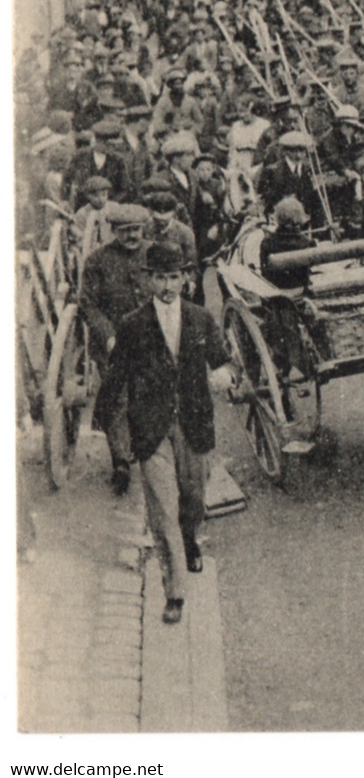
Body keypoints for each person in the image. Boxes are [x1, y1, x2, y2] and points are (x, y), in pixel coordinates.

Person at [102, 241, 234, 624]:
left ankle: (192, 540)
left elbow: (223, 360)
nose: (167, 285)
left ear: (186, 278)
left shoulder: (200, 318)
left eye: (174, 276)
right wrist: (115, 435)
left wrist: (224, 374)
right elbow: (116, 380)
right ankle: (174, 591)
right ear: (147, 280)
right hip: (152, 428)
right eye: (159, 277)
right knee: (162, 510)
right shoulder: (133, 325)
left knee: (192, 499)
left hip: (192, 423)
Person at [81, 203, 151, 494]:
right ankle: (121, 462)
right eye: (125, 231)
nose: (132, 236)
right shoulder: (98, 260)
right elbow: (89, 305)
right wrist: (108, 336)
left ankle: (149, 449)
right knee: (118, 398)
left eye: (136, 230)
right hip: (114, 343)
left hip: (151, 338)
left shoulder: (155, 252)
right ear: (114, 231)